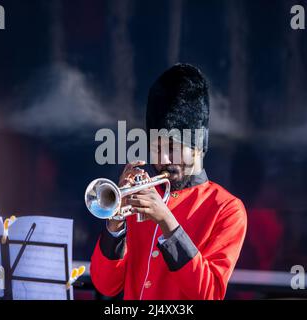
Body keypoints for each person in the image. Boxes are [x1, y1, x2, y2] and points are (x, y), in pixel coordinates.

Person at [90, 63, 247, 300]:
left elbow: (209, 294)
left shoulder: (227, 209)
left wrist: (165, 219)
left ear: (197, 148)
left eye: (172, 148)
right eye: (156, 148)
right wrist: (116, 224)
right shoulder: (142, 196)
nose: (162, 160)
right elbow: (106, 285)